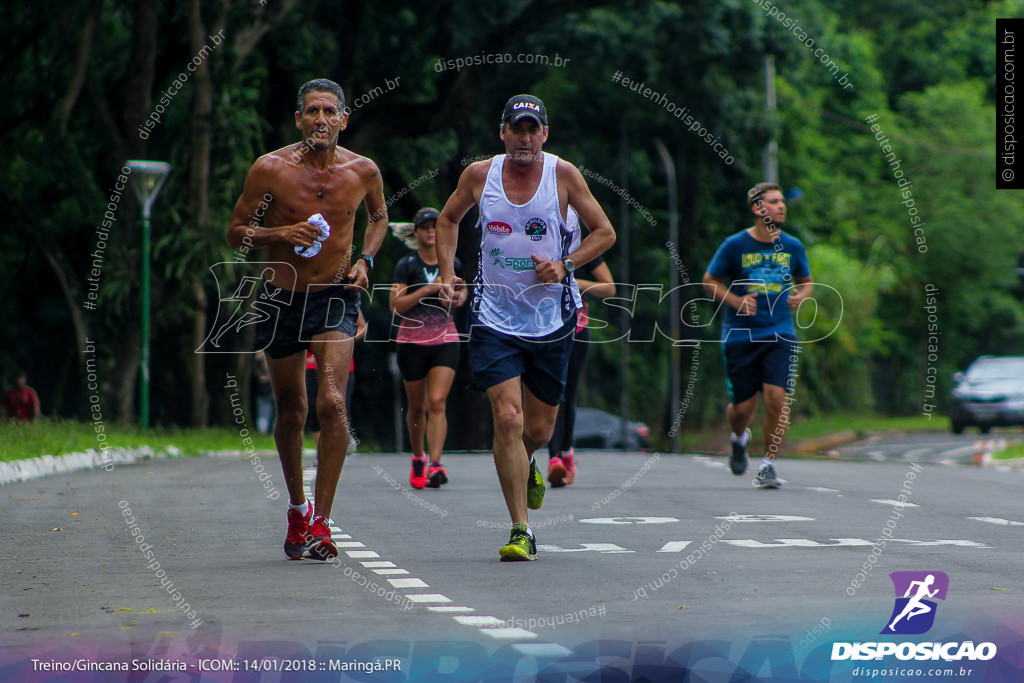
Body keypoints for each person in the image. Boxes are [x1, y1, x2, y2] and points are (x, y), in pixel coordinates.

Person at [436, 94, 615, 561]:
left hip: (553, 319)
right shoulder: (480, 175)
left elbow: (605, 232)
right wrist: (447, 272)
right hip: (494, 317)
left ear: (545, 134)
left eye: (533, 129)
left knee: (538, 427)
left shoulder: (564, 175)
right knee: (509, 419)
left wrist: (565, 264)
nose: (525, 137)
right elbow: (448, 219)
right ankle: (522, 530)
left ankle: (528, 460)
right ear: (502, 133)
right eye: (517, 128)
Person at [226, 78, 387, 561]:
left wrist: (366, 261)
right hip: (280, 297)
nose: (321, 119)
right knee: (292, 409)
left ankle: (322, 520)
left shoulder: (363, 170)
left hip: (336, 296)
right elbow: (235, 233)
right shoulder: (270, 169)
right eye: (312, 111)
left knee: (333, 405)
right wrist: (282, 230)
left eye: (329, 111)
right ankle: (297, 508)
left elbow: (378, 217)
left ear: (343, 118)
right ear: (299, 119)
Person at [701, 182, 813, 488]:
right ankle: (739, 437)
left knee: (777, 397)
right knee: (742, 408)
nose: (781, 206)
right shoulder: (735, 245)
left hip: (780, 331)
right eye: (774, 202)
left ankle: (768, 465)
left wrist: (801, 295)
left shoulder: (792, 246)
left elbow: (807, 281)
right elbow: (709, 281)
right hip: (740, 334)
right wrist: (736, 301)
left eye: (782, 202)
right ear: (757, 208)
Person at [389, 207, 467, 489]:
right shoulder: (406, 265)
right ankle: (418, 457)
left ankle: (436, 463)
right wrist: (426, 289)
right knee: (417, 405)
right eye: (425, 227)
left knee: (437, 401)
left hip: (445, 339)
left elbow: (462, 293)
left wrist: (455, 297)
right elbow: (395, 306)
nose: (431, 231)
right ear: (417, 232)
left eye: (436, 227)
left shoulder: (452, 262)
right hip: (411, 342)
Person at [546, 207, 615, 487]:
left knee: (567, 394)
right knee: (548, 393)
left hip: (576, 328)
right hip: (540, 328)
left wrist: (572, 278)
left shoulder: (585, 250)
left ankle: (565, 453)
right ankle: (553, 459)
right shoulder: (534, 241)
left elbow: (609, 288)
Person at [253, 351, 275, 434]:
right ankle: (263, 432)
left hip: (267, 390)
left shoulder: (260, 355)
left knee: (266, 413)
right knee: (264, 412)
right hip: (265, 391)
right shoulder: (261, 355)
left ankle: (266, 431)